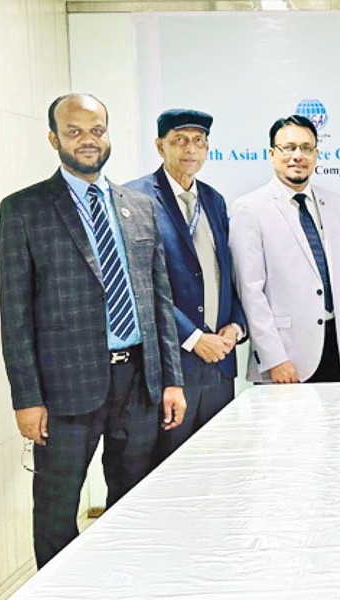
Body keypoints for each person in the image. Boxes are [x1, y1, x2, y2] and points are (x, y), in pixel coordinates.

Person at [0, 93, 186, 568]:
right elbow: (15, 314)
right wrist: (26, 399)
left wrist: (172, 380)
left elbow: (159, 302)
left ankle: (126, 585)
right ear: (53, 138)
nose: (88, 140)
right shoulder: (24, 210)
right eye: (75, 131)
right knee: (56, 512)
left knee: (134, 504)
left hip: (139, 384)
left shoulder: (139, 206)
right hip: (64, 392)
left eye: (96, 130)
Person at [126, 109, 246, 461]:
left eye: (198, 141)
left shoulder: (213, 199)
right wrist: (193, 338)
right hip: (172, 366)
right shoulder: (136, 199)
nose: (190, 149)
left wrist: (236, 325)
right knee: (171, 468)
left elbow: (226, 273)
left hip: (219, 364)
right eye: (179, 140)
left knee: (217, 465)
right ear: (160, 146)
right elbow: (140, 283)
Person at [230, 115, 340, 383]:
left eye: (306, 148)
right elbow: (250, 292)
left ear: (316, 154)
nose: (298, 156)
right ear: (272, 154)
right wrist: (274, 358)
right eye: (288, 148)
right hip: (285, 356)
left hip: (335, 348)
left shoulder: (335, 204)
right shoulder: (250, 209)